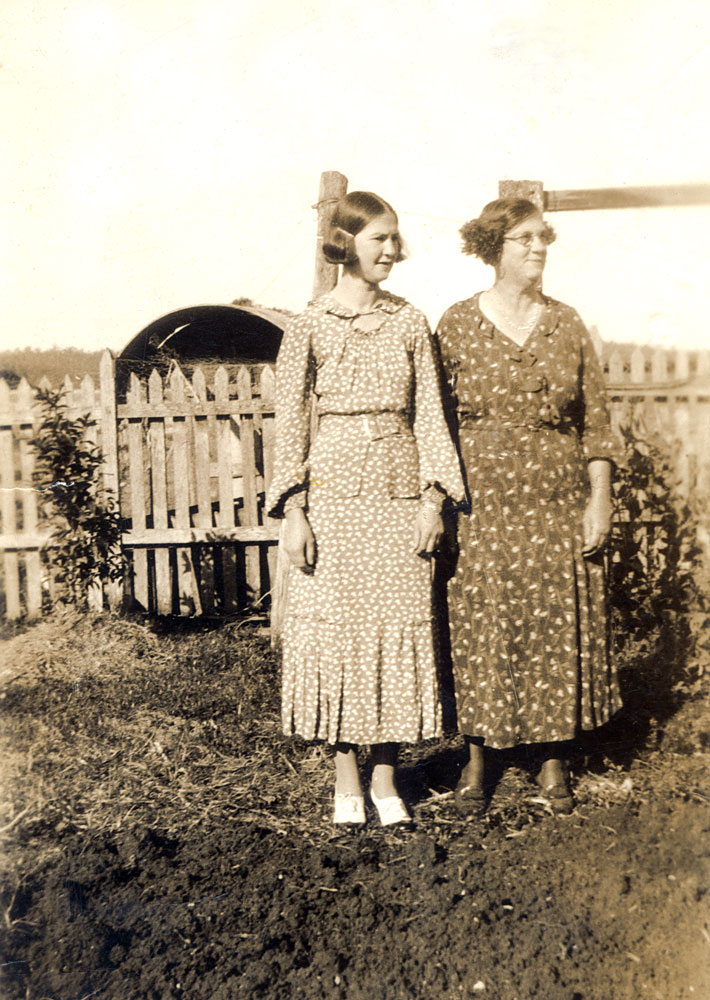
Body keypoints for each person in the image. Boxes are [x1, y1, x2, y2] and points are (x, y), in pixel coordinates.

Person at [266, 191, 464, 826]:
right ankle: (345, 778)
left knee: (398, 629)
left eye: (395, 238)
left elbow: (431, 414)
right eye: (379, 238)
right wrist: (295, 510)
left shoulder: (410, 321)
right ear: (346, 243)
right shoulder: (310, 324)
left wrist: (434, 499)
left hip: (400, 493)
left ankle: (386, 778)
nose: (392, 250)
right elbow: (291, 422)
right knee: (340, 634)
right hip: (334, 496)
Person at [436, 197, 622, 815]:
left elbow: (596, 422)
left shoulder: (567, 323)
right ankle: (478, 757)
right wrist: (437, 499)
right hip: (481, 498)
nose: (539, 248)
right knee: (482, 618)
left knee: (551, 618)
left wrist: (599, 500)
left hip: (554, 494)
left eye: (543, 237)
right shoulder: (457, 323)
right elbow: (434, 423)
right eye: (523, 239)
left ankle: (551, 759)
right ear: (494, 249)